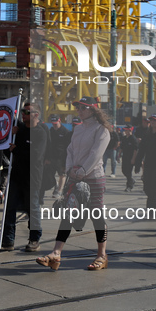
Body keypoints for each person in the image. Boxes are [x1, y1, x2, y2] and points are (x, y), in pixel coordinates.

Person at [36, 96, 111, 271]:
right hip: (75, 177)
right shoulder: (78, 129)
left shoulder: (102, 130)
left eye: (82, 107)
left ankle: (102, 255)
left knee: (96, 215)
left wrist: (82, 171)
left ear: (92, 109)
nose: (78, 110)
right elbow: (70, 150)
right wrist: (70, 169)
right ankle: (56, 254)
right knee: (68, 214)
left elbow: (96, 154)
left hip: (94, 178)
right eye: (77, 107)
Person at [0, 102, 47, 252]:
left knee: (32, 209)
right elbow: (10, 153)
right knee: (10, 208)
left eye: (27, 112)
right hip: (16, 176)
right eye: (23, 111)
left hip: (32, 178)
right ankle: (8, 240)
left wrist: (17, 149)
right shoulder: (19, 130)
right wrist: (11, 139)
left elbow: (36, 155)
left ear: (36, 115)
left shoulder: (40, 132)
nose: (23, 114)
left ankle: (34, 239)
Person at [47, 114, 72, 198]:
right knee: (49, 176)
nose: (54, 125)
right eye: (53, 123)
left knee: (62, 175)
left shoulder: (65, 132)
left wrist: (66, 162)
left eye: (56, 123)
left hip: (61, 158)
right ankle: (56, 185)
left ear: (59, 121)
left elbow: (68, 147)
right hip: (51, 157)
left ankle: (59, 191)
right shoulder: (50, 131)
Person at [119, 125, 138, 192]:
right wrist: (118, 156)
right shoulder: (124, 138)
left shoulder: (133, 138)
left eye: (127, 130)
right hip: (125, 157)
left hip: (131, 157)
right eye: (125, 130)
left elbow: (135, 150)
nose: (126, 131)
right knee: (124, 171)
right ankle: (131, 180)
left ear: (130, 130)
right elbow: (121, 147)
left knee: (129, 172)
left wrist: (133, 159)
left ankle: (129, 186)